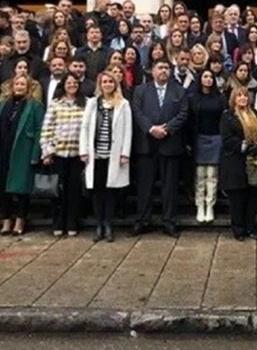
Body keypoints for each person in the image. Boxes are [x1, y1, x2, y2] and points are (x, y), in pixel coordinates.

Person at [131, 59, 188, 238]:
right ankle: (142, 220)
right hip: (147, 143)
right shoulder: (141, 90)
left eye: (167, 68)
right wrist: (150, 128)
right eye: (160, 67)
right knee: (145, 185)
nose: (164, 71)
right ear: (152, 71)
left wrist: (167, 129)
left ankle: (169, 221)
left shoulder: (179, 91)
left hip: (170, 143)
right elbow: (136, 112)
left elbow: (183, 113)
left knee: (170, 186)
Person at [80, 71, 132, 242]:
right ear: (100, 85)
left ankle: (109, 224)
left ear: (115, 84)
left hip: (114, 154)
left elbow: (128, 130)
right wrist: (84, 150)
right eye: (104, 82)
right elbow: (85, 127)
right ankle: (99, 224)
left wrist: (125, 153)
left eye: (110, 82)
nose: (108, 84)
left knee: (111, 191)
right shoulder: (92, 103)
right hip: (95, 154)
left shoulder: (123, 104)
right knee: (97, 190)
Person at [0, 74, 44, 236]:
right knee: (2, 186)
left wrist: (35, 154)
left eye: (23, 84)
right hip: (3, 150)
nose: (19, 87)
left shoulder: (35, 106)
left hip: (23, 150)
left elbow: (39, 130)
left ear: (28, 88)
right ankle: (6, 219)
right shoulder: (2, 105)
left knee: (22, 188)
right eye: (17, 84)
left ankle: (20, 219)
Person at [39, 73, 86, 237]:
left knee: (74, 190)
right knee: (57, 190)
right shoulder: (55, 104)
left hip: (77, 154)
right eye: (69, 83)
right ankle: (58, 222)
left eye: (75, 82)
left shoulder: (86, 103)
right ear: (63, 85)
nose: (72, 85)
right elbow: (47, 129)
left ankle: (72, 222)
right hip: (58, 154)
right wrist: (46, 151)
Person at [219, 86, 257, 241]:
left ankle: (251, 228)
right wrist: (243, 146)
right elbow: (227, 138)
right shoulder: (228, 116)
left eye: (245, 95)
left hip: (254, 162)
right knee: (237, 199)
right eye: (239, 96)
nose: (243, 98)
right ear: (234, 99)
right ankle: (238, 229)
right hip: (235, 162)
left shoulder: (256, 114)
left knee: (253, 198)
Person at [189, 69, 226, 223]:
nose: (208, 79)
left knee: (212, 175)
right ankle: (200, 205)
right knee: (200, 175)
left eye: (211, 77)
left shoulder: (220, 98)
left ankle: (210, 205)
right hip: (199, 138)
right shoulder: (193, 98)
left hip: (216, 138)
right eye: (205, 76)